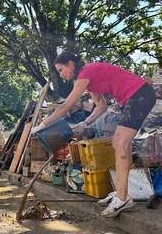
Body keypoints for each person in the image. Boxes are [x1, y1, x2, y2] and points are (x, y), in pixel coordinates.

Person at [32, 51, 156, 218]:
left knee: (120, 144)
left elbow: (67, 105)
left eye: (61, 70)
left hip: (140, 95)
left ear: (71, 64)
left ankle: (122, 198)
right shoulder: (86, 80)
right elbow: (101, 106)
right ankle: (122, 193)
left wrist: (43, 124)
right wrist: (85, 123)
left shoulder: (86, 73)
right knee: (118, 144)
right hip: (133, 98)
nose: (61, 75)